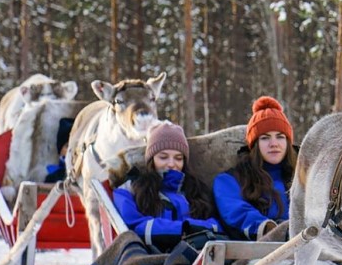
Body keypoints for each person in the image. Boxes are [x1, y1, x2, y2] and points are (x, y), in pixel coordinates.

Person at [112, 121, 220, 251]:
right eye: (163, 157)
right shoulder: (131, 188)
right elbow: (133, 226)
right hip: (152, 259)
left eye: (178, 158)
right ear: (151, 159)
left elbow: (217, 225)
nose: (171, 164)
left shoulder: (196, 190)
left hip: (199, 257)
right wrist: (184, 229)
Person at [212, 96, 294, 239]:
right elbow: (236, 211)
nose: (274, 143)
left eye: (280, 137)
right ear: (255, 145)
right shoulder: (230, 180)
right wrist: (268, 228)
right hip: (257, 252)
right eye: (265, 138)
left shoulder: (304, 177)